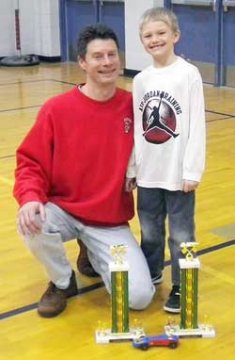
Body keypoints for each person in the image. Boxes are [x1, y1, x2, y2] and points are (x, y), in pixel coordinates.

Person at [13, 24, 155, 318]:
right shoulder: (57, 109)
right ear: (82, 63)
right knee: (31, 221)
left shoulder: (134, 106)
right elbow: (30, 161)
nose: (107, 63)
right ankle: (63, 282)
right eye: (97, 56)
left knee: (140, 297)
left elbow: (156, 147)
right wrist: (29, 198)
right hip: (63, 209)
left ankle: (92, 250)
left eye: (112, 55)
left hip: (108, 219)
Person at [127, 8, 206, 313]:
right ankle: (152, 272)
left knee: (182, 234)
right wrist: (133, 167)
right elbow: (137, 126)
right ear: (142, 42)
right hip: (149, 173)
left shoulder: (188, 74)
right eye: (148, 35)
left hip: (178, 174)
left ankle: (183, 285)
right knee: (149, 230)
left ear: (175, 36)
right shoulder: (141, 80)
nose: (155, 39)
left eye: (161, 33)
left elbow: (196, 124)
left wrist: (192, 169)